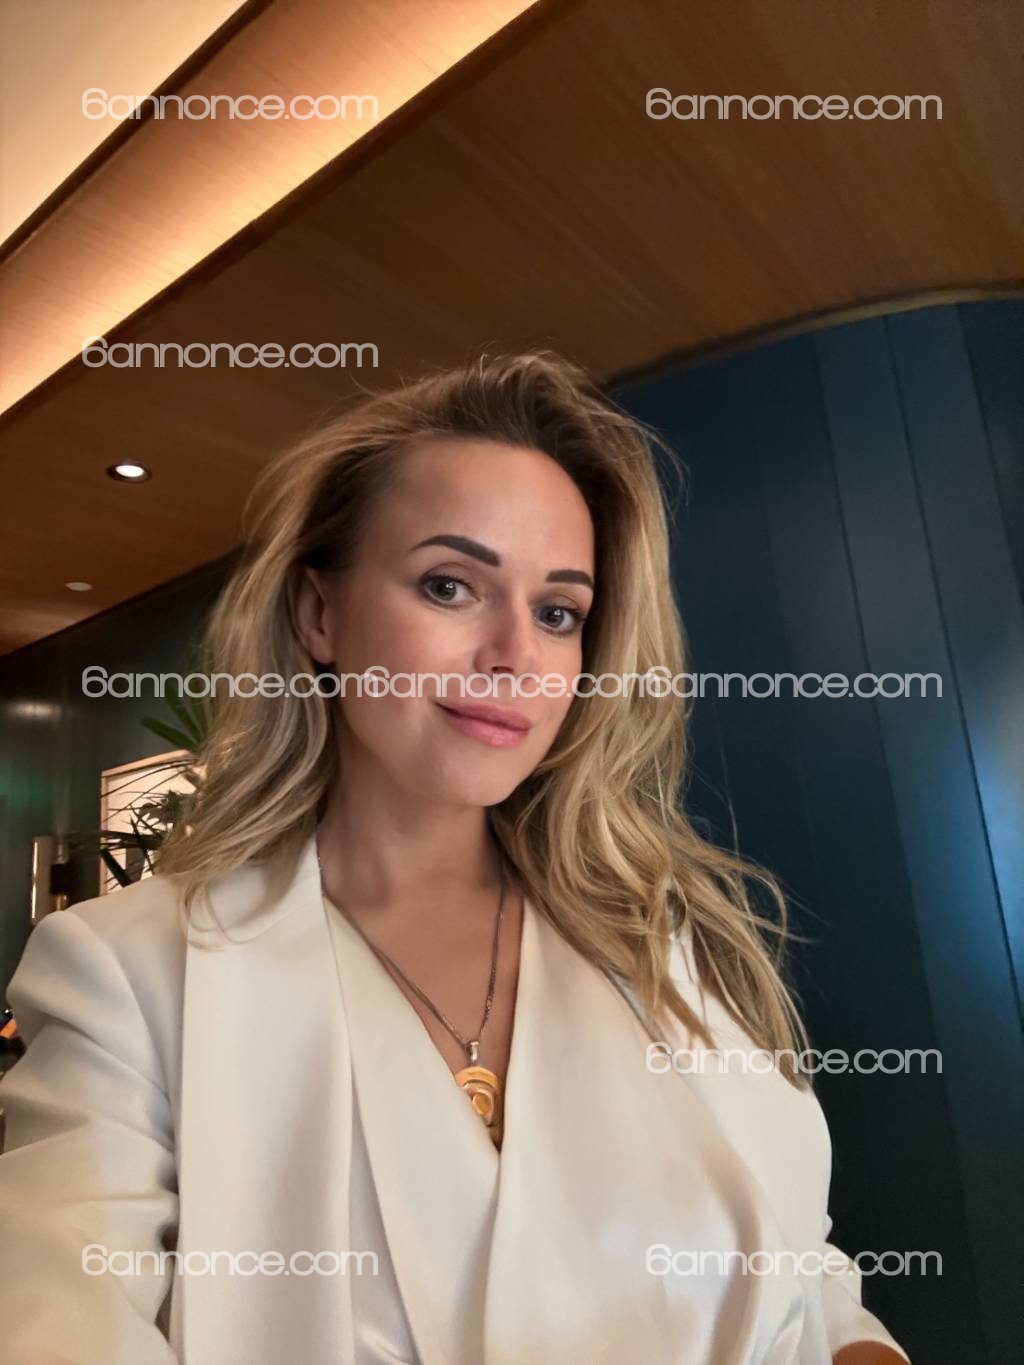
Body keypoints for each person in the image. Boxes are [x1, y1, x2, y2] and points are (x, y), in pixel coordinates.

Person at [0, 352, 910, 1363]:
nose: (515, 654)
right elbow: (56, 1309)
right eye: (450, 586)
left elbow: (802, 1274)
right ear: (319, 614)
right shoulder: (130, 976)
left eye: (558, 612)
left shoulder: (657, 940)